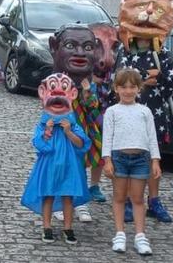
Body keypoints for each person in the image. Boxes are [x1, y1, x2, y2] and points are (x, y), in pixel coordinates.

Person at [112, 0, 173, 223]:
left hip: (153, 116)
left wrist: (159, 77)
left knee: (152, 158)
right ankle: (131, 200)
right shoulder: (125, 51)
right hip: (126, 116)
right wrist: (142, 78)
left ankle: (153, 200)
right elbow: (120, 77)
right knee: (128, 158)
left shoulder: (162, 54)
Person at [21, 74, 90, 245]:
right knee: (48, 195)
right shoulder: (43, 125)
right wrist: (47, 132)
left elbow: (82, 144)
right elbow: (39, 144)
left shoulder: (73, 125)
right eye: (53, 89)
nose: (58, 92)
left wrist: (68, 132)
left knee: (68, 196)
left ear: (72, 94)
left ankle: (68, 227)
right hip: (49, 165)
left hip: (69, 165)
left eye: (63, 89)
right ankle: (47, 226)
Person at [103, 68, 162, 256]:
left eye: (132, 87)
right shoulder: (112, 112)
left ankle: (140, 235)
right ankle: (119, 233)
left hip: (141, 159)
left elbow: (152, 137)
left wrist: (155, 161)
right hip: (119, 157)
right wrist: (107, 160)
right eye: (123, 87)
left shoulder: (145, 111)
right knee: (119, 197)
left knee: (137, 198)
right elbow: (107, 138)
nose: (128, 91)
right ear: (116, 89)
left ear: (139, 89)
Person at [50, 24, 104, 223]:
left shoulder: (90, 84)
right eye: (71, 46)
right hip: (60, 131)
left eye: (88, 48)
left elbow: (94, 108)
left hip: (82, 131)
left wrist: (87, 92)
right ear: (55, 47)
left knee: (80, 165)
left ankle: (79, 201)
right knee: (60, 165)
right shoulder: (53, 82)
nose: (80, 53)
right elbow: (49, 107)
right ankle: (57, 201)